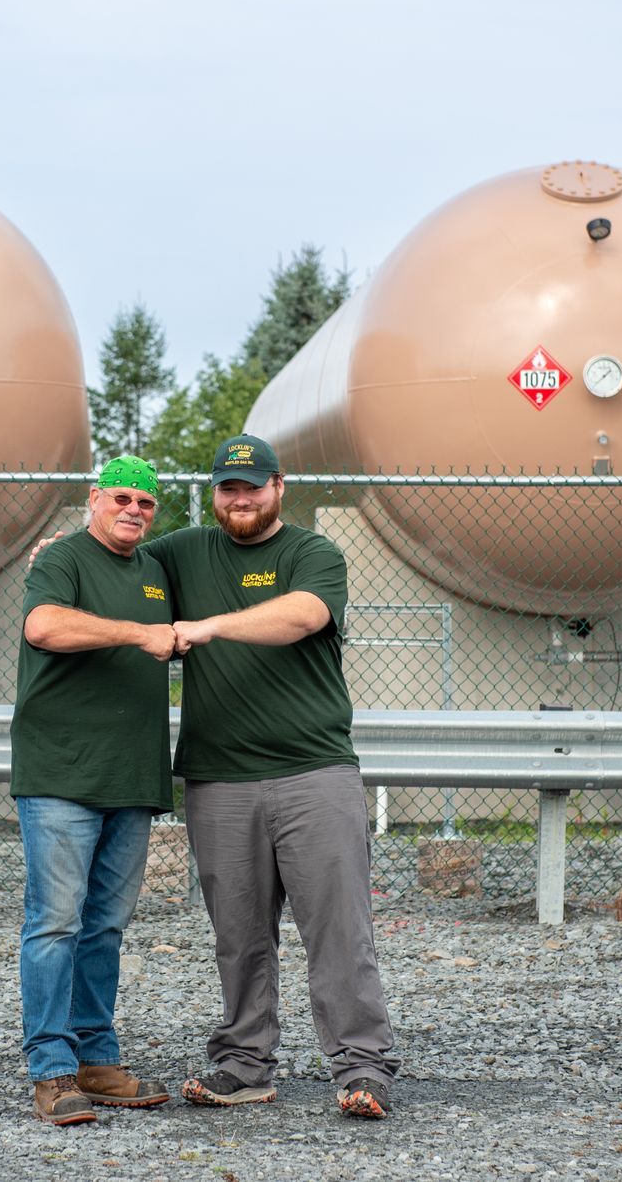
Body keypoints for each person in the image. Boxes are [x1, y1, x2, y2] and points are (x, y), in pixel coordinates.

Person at [147, 433, 400, 1120]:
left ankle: (361, 1068)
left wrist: (212, 626)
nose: (240, 499)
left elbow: (304, 616)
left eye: (252, 486)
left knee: (339, 928)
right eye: (228, 488)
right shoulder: (182, 551)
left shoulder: (311, 554)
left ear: (278, 487)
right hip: (218, 777)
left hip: (312, 770)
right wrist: (62, 555)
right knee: (239, 934)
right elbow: (116, 568)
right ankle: (243, 1063)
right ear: (214, 493)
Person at [11, 456, 177, 1126]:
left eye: (146, 502)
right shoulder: (63, 561)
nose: (133, 509)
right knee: (55, 923)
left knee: (105, 926)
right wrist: (139, 632)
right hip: (61, 773)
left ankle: (96, 1058)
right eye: (121, 498)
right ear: (94, 499)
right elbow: (44, 626)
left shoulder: (158, 570)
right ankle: (51, 1070)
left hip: (131, 776)